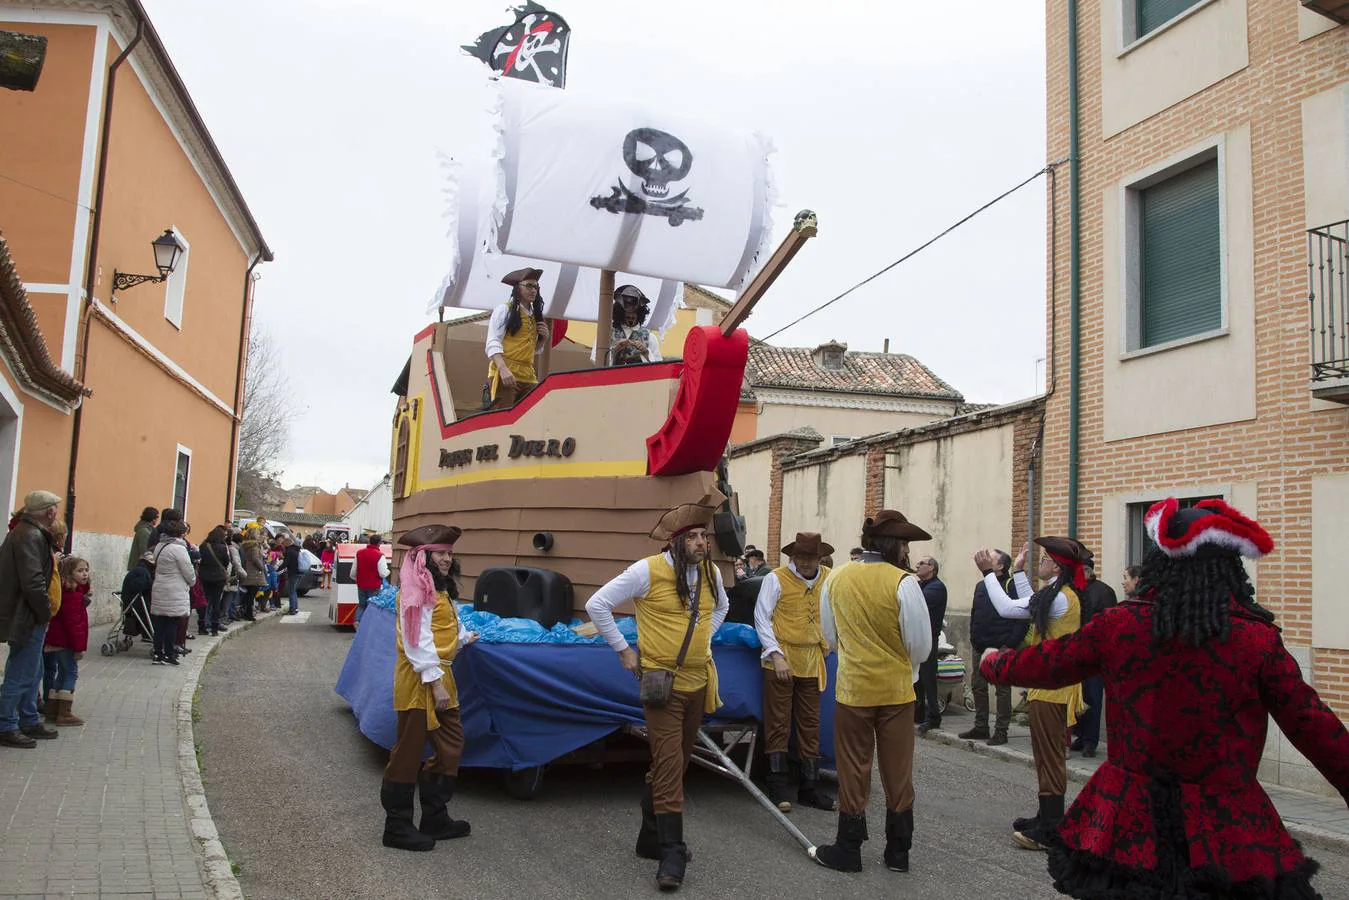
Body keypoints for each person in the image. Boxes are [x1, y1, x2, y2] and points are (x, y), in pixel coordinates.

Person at [980, 498, 1349, 898]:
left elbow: (1053, 663)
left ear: (1159, 563)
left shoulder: (1122, 626)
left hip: (1130, 820)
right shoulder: (1254, 640)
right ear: (1230, 567)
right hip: (1227, 828)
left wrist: (996, 664)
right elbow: (1313, 724)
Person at [586, 501, 730, 892]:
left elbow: (723, 607)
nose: (702, 543)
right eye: (695, 537)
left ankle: (649, 836)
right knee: (668, 763)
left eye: (705, 536)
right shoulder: (647, 570)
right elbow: (596, 605)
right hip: (661, 684)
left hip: (698, 682)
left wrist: (704, 635)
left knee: (678, 762)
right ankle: (672, 850)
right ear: (676, 541)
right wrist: (624, 649)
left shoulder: (710, 572)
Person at [814, 510, 933, 875]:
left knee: (853, 767)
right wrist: (905, 669)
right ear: (896, 545)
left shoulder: (836, 578)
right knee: (897, 771)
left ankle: (849, 848)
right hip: (897, 690)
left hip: (853, 689)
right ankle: (898, 852)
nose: (907, 551)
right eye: (905, 544)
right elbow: (921, 645)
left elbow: (830, 635)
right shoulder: (904, 582)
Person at [974, 537, 1090, 852]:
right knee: (1044, 757)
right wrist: (1021, 574)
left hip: (1054, 689)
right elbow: (1033, 606)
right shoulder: (1057, 594)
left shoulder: (1062, 598)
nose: (1040, 562)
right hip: (1049, 684)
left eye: (1044, 559)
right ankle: (1045, 816)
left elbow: (1010, 608)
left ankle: (1052, 829)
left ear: (1056, 566)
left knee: (1050, 759)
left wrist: (989, 574)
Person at [381, 524, 478, 852]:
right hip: (419, 680)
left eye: (449, 553)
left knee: (451, 744)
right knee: (408, 752)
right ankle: (396, 827)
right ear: (423, 557)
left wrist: (463, 638)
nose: (447, 559)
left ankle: (435, 818)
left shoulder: (441, 590)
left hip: (440, 675)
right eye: (441, 553)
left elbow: (443, 628)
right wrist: (435, 683)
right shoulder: (414, 590)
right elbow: (415, 640)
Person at [753, 531, 835, 813]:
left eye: (812, 557)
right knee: (778, 722)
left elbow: (833, 612)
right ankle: (777, 784)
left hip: (812, 658)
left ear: (819, 557)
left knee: (810, 723)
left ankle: (809, 786)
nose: (807, 562)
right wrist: (775, 655)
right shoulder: (775, 578)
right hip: (782, 656)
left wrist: (828, 643)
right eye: (801, 556)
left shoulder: (828, 578)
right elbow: (762, 617)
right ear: (793, 556)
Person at [0, 491, 62, 748]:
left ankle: (27, 718)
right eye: (55, 509)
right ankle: (6, 724)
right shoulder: (30, 535)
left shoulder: (29, 532)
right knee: (21, 671)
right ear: (48, 512)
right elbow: (33, 582)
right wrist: (44, 612)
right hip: (27, 614)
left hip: (27, 613)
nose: (56, 512)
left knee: (32, 670)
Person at [959, 549, 1028, 746]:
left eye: (992, 558)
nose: (985, 558)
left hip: (1001, 648)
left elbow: (1022, 619)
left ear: (1000, 566)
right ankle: (981, 726)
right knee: (978, 687)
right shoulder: (981, 585)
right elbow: (975, 613)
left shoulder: (1011, 585)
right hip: (979, 645)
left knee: (1002, 690)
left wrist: (1009, 645)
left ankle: (1001, 731)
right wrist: (973, 637)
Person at [1070, 561, 1118, 757]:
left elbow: (1109, 623)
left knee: (1092, 697)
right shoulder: (1074, 591)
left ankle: (1091, 741)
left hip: (1095, 653)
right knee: (1078, 697)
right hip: (1076, 650)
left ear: (1089, 572)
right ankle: (1080, 736)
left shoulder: (1104, 591)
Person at [484, 267, 549, 410]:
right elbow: (492, 341)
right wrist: (503, 369)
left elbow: (531, 350)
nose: (533, 290)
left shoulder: (534, 316)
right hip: (506, 371)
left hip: (528, 374)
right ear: (517, 289)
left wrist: (543, 340)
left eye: (535, 287)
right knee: (503, 417)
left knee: (530, 415)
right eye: (529, 286)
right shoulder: (504, 309)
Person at [44, 556, 90, 726]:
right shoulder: (72, 595)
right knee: (71, 672)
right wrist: (79, 648)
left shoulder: (69, 591)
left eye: (86, 570)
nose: (84, 574)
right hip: (67, 641)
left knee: (62, 672)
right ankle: (65, 713)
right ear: (69, 574)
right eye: (80, 570)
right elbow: (74, 625)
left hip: (60, 640)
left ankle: (52, 709)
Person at [150, 520, 194, 666]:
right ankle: (169, 654)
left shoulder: (159, 546)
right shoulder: (179, 549)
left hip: (160, 587)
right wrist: (192, 581)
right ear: (180, 534)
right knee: (172, 623)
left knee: (160, 623)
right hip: (174, 590)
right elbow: (188, 571)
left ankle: (157, 653)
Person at [912, 555, 947, 735]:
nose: (917, 565)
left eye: (922, 563)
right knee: (917, 679)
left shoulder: (936, 588)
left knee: (927, 678)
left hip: (928, 639)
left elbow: (916, 605)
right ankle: (918, 713)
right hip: (919, 637)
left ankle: (934, 717)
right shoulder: (920, 585)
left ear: (931, 568)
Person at [607, 284, 663, 365]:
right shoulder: (607, 333)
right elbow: (596, 359)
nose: (631, 315)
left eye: (635, 312)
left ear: (640, 313)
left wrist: (645, 352)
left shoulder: (650, 337)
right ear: (620, 312)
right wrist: (615, 349)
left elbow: (658, 365)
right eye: (627, 312)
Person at [198, 526, 231, 636]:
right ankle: (214, 628)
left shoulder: (203, 546)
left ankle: (202, 626)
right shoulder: (222, 548)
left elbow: (200, 560)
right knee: (216, 602)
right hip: (218, 577)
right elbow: (226, 562)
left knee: (204, 601)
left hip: (204, 576)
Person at [353, 534, 389, 625]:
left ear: (369, 541)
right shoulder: (380, 555)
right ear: (379, 543)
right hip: (374, 586)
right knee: (371, 605)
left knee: (361, 604)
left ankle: (357, 620)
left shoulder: (359, 553)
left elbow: (353, 571)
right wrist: (388, 571)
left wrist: (357, 579)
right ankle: (367, 624)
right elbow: (383, 573)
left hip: (361, 584)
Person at [239, 531, 267, 621]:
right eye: (258, 534)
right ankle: (248, 614)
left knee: (248, 594)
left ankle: (245, 612)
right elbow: (255, 558)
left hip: (247, 570)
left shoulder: (246, 546)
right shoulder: (254, 546)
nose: (260, 536)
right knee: (251, 594)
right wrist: (262, 567)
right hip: (254, 572)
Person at [282, 536, 302, 615]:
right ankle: (295, 608)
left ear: (287, 543)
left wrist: (277, 569)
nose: (283, 545)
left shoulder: (289, 551)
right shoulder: (297, 549)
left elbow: (286, 563)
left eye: (284, 543)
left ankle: (292, 609)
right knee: (294, 591)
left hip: (293, 573)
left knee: (291, 591)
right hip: (299, 572)